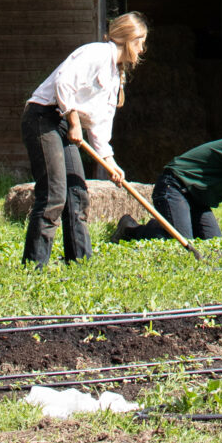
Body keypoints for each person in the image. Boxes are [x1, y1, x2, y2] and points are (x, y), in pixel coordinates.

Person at [21, 14, 147, 268]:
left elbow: (100, 126)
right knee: (54, 194)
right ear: (129, 39)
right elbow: (64, 81)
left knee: (77, 193)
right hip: (43, 117)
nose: (142, 50)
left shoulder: (115, 77)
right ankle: (34, 267)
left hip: (66, 124)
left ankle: (80, 265)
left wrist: (110, 163)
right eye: (140, 43)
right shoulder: (96, 53)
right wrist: (74, 120)